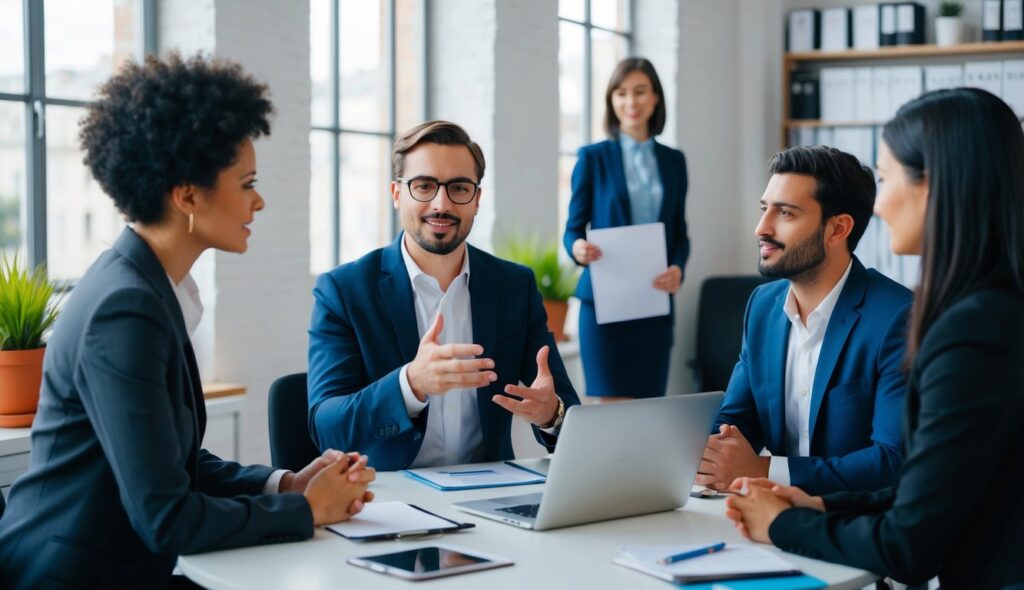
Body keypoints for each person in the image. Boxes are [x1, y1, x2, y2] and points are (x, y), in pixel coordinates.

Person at [0, 54, 375, 589]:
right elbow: (166, 517)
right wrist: (308, 511)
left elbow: (174, 462)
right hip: (71, 576)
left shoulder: (146, 287)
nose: (259, 200)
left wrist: (285, 484)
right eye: (246, 183)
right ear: (187, 195)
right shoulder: (124, 309)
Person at [724, 88, 1024, 590]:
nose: (878, 206)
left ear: (936, 185)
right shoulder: (992, 308)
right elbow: (931, 488)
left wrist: (782, 523)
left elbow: (909, 545)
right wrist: (818, 503)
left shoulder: (973, 330)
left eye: (885, 179)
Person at [308, 120, 580, 472]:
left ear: (477, 199)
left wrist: (551, 414)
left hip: (490, 495)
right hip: (389, 499)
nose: (442, 203)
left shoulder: (514, 286)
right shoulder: (344, 291)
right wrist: (410, 384)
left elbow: (566, 409)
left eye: (459, 188)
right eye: (423, 186)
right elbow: (325, 426)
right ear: (396, 194)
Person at [700, 145, 912, 496]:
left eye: (785, 213)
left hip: (853, 528)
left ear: (837, 229)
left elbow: (891, 461)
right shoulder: (763, 306)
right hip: (769, 518)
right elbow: (737, 420)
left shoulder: (898, 316)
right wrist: (703, 453)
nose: (761, 228)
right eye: (764, 209)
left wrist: (764, 470)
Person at [562, 57, 689, 401]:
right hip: (605, 302)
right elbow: (572, 230)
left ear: (655, 98)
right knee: (612, 409)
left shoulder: (673, 161)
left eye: (639, 92)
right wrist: (577, 250)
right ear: (611, 101)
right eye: (621, 93)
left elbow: (679, 233)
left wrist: (678, 267)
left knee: (648, 409)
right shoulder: (592, 157)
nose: (630, 102)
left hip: (653, 300)